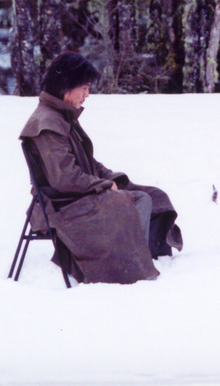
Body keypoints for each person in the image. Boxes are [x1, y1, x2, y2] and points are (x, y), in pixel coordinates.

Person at [19, 52, 183, 284]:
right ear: (65, 86)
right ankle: (130, 266)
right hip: (62, 206)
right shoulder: (47, 123)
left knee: (154, 196)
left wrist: (110, 178)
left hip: (76, 196)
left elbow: (88, 163)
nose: (87, 94)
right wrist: (104, 185)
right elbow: (65, 178)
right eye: (84, 88)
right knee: (137, 200)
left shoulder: (61, 116)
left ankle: (147, 255)